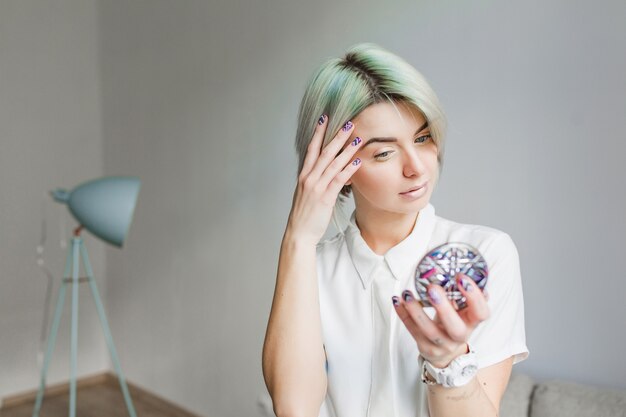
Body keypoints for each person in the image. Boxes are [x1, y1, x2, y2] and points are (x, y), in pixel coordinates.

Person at [262, 43, 528, 417]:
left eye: (422, 138)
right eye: (384, 153)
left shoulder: (486, 254)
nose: (417, 168)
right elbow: (294, 409)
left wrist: (447, 360)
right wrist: (298, 238)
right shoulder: (312, 268)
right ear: (334, 165)